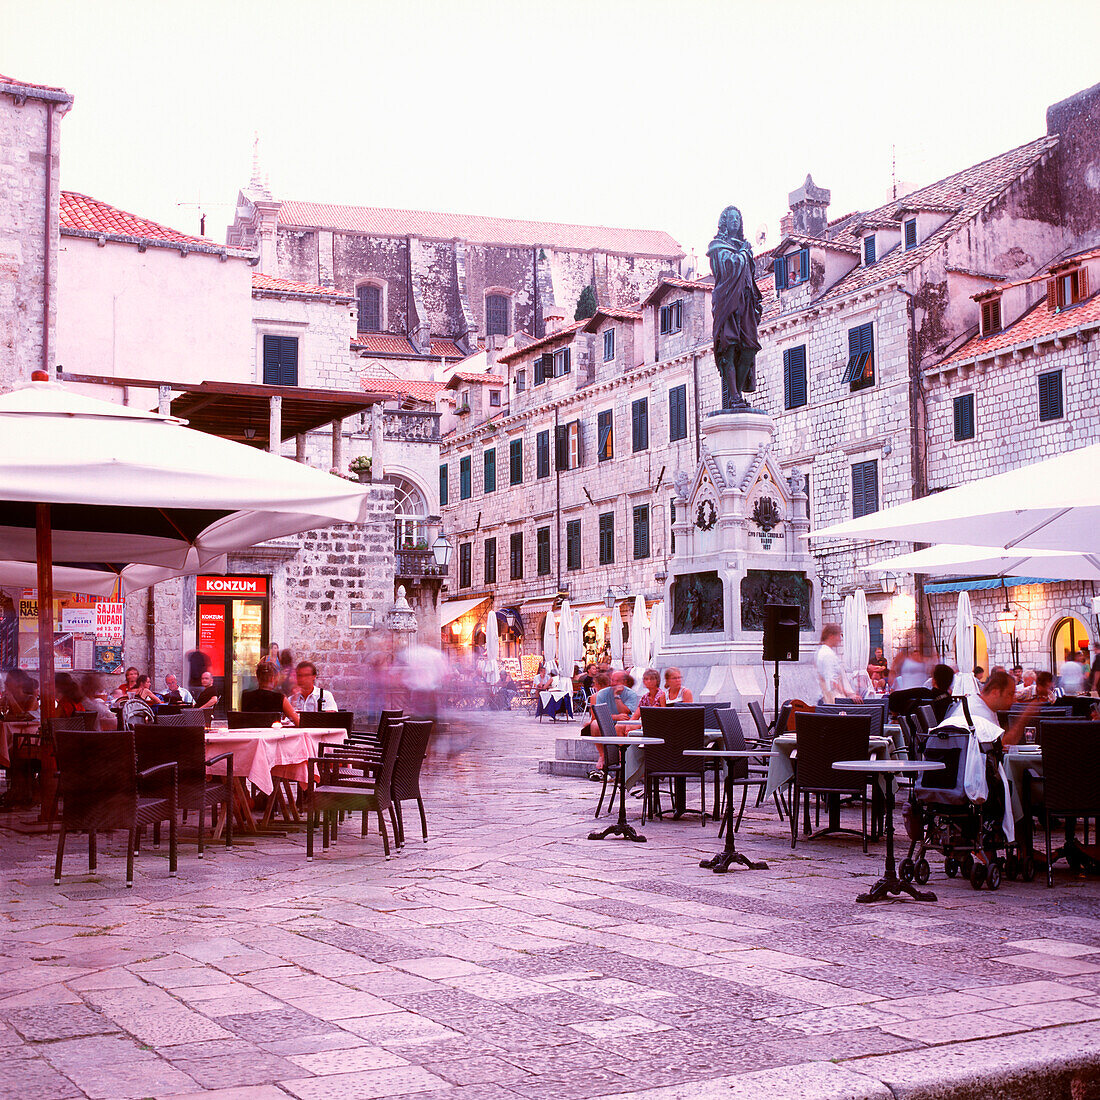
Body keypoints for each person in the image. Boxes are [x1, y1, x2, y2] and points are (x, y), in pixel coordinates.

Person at [241, 660, 298, 725]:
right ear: (272, 678)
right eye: (277, 677)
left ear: (257, 678)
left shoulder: (245, 696)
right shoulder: (280, 699)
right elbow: (298, 722)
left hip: (251, 734)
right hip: (273, 734)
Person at [815, 625, 854, 704]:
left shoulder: (825, 651)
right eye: (839, 635)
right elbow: (831, 681)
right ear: (831, 636)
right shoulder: (827, 654)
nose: (840, 639)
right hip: (832, 700)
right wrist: (849, 694)